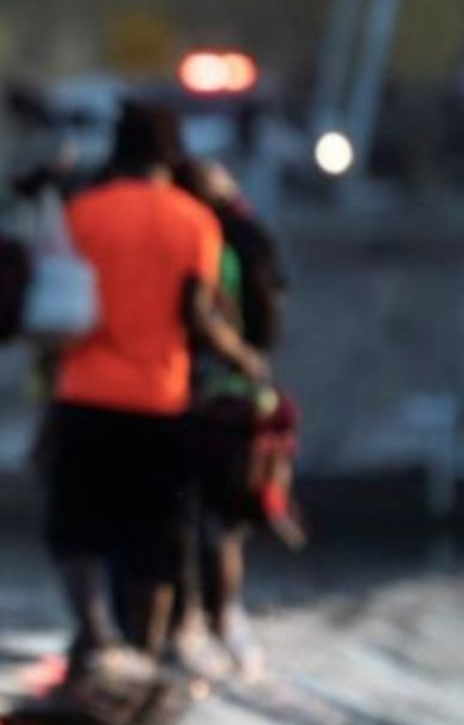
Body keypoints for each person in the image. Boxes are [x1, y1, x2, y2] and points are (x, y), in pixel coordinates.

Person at [41, 104, 269, 686]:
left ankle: (93, 636)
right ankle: (144, 648)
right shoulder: (193, 220)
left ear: (116, 151)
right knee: (155, 533)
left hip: (83, 393)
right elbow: (198, 314)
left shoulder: (82, 212)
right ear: (170, 154)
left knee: (77, 528)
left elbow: (55, 302)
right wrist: (243, 356)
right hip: (160, 398)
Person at [171, 159, 288, 678]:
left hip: (188, 395)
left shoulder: (197, 241)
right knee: (222, 525)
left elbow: (201, 316)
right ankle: (226, 624)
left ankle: (194, 626)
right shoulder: (244, 237)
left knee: (186, 518)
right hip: (237, 399)